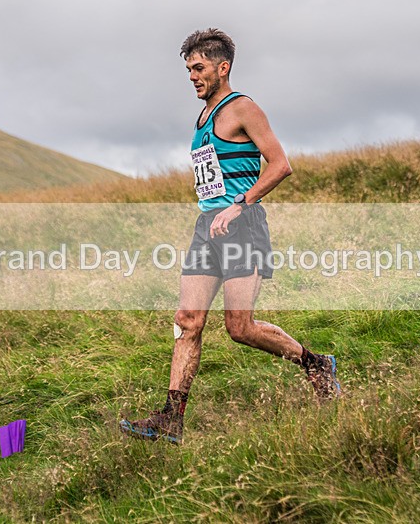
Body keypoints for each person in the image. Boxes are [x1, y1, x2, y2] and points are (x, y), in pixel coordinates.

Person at [120, 28, 340, 444]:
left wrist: (239, 203)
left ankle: (315, 365)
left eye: (199, 68)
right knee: (188, 321)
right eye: (188, 69)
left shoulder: (243, 108)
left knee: (240, 328)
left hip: (242, 226)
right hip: (207, 228)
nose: (192, 76)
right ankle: (171, 418)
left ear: (223, 68)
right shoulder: (202, 117)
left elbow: (280, 165)